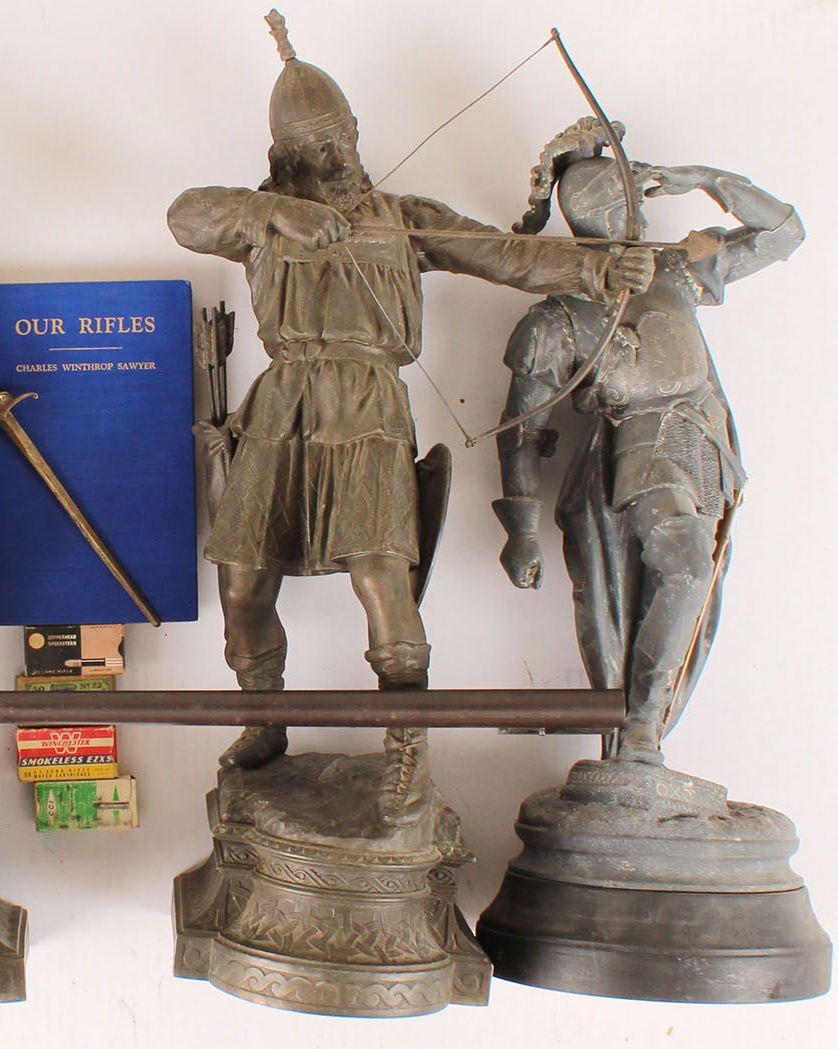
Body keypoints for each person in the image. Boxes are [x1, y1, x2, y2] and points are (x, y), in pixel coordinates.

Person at [166, 12, 653, 822]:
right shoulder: (265, 218)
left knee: (383, 580)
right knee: (242, 584)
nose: (334, 160)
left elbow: (505, 253)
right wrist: (272, 215)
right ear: (284, 157)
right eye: (313, 151)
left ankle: (406, 750)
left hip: (368, 407)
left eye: (340, 142)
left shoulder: (401, 216)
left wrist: (598, 269)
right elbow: (185, 215)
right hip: (283, 406)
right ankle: (265, 717)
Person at [494, 117, 803, 762]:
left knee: (695, 577)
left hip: (704, 451)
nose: (637, 213)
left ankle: (646, 725)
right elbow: (521, 430)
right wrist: (520, 528)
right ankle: (639, 727)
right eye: (627, 200)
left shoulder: (677, 270)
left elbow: (783, 232)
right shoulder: (560, 318)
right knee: (685, 568)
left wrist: (700, 178)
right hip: (638, 454)